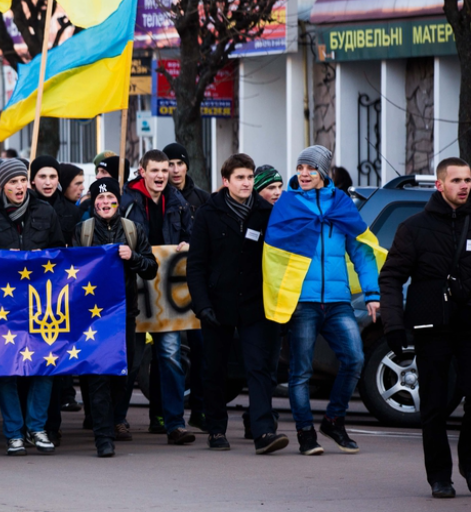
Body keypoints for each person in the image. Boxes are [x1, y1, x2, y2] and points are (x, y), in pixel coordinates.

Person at [263, 145, 381, 456]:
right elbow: (272, 256)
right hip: (303, 301)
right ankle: (305, 434)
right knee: (300, 372)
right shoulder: (287, 204)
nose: (304, 174)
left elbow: (362, 251)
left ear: (323, 172)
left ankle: (333, 421)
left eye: (311, 168)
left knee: (354, 359)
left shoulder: (341, 203)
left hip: (339, 301)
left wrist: (372, 293)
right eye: (300, 168)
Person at [379, 157, 471, 499]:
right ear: (440, 184)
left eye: (468, 180)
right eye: (457, 180)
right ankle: (439, 477)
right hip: (431, 327)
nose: (464, 186)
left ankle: (469, 465)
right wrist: (393, 324)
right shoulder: (414, 227)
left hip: (469, 326)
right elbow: (391, 277)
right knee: (434, 405)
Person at [187, 154, 289, 454]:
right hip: (217, 304)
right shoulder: (208, 213)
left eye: (249, 177)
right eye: (240, 178)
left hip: (256, 303)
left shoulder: (267, 212)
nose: (246, 183)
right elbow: (196, 264)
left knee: (258, 367)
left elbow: (281, 258)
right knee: (215, 369)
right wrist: (202, 304)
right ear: (226, 181)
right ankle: (216, 429)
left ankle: (263, 431)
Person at [0, 159, 65, 455]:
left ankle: (37, 428)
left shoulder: (45, 211)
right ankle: (13, 433)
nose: (20, 186)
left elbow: (61, 252)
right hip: (3, 306)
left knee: (45, 365)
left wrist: (43, 256)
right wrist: (1, 257)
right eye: (13, 181)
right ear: (1, 185)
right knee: (6, 368)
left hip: (41, 302)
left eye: (23, 180)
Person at [72, 177, 157, 457]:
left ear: (118, 202)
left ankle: (115, 420)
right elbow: (72, 271)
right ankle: (103, 437)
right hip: (93, 318)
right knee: (98, 376)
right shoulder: (82, 231)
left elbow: (151, 269)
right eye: (100, 199)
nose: (106, 203)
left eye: (110, 198)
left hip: (125, 314)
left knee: (124, 373)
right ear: (93, 203)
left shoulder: (133, 230)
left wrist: (133, 256)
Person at [120, 149, 194, 444]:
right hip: (134, 289)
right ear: (142, 171)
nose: (162, 175)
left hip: (166, 294)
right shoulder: (126, 201)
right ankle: (117, 420)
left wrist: (187, 242)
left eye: (165, 170)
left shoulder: (178, 202)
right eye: (156, 170)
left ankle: (175, 424)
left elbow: (190, 233)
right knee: (131, 359)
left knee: (171, 357)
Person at [30, 156, 79, 244]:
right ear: (33, 180)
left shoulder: (72, 211)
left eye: (52, 177)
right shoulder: (24, 209)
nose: (48, 182)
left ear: (58, 180)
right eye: (42, 176)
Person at [163, 142, 209, 214]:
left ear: (186, 167)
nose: (176, 170)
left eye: (180, 164)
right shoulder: (158, 198)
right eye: (170, 164)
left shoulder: (203, 199)